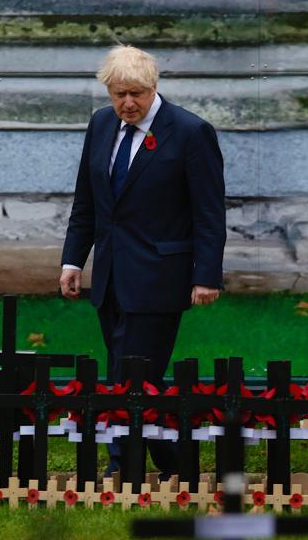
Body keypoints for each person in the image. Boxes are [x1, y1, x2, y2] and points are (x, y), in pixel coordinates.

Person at [59, 45, 226, 477]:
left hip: (159, 277)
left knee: (133, 376)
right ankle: (176, 464)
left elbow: (209, 212)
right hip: (110, 275)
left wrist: (206, 276)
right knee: (129, 375)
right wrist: (73, 261)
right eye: (118, 94)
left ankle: (122, 468)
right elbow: (87, 200)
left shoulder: (190, 132)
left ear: (154, 88)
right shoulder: (100, 125)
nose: (127, 103)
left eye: (136, 93)